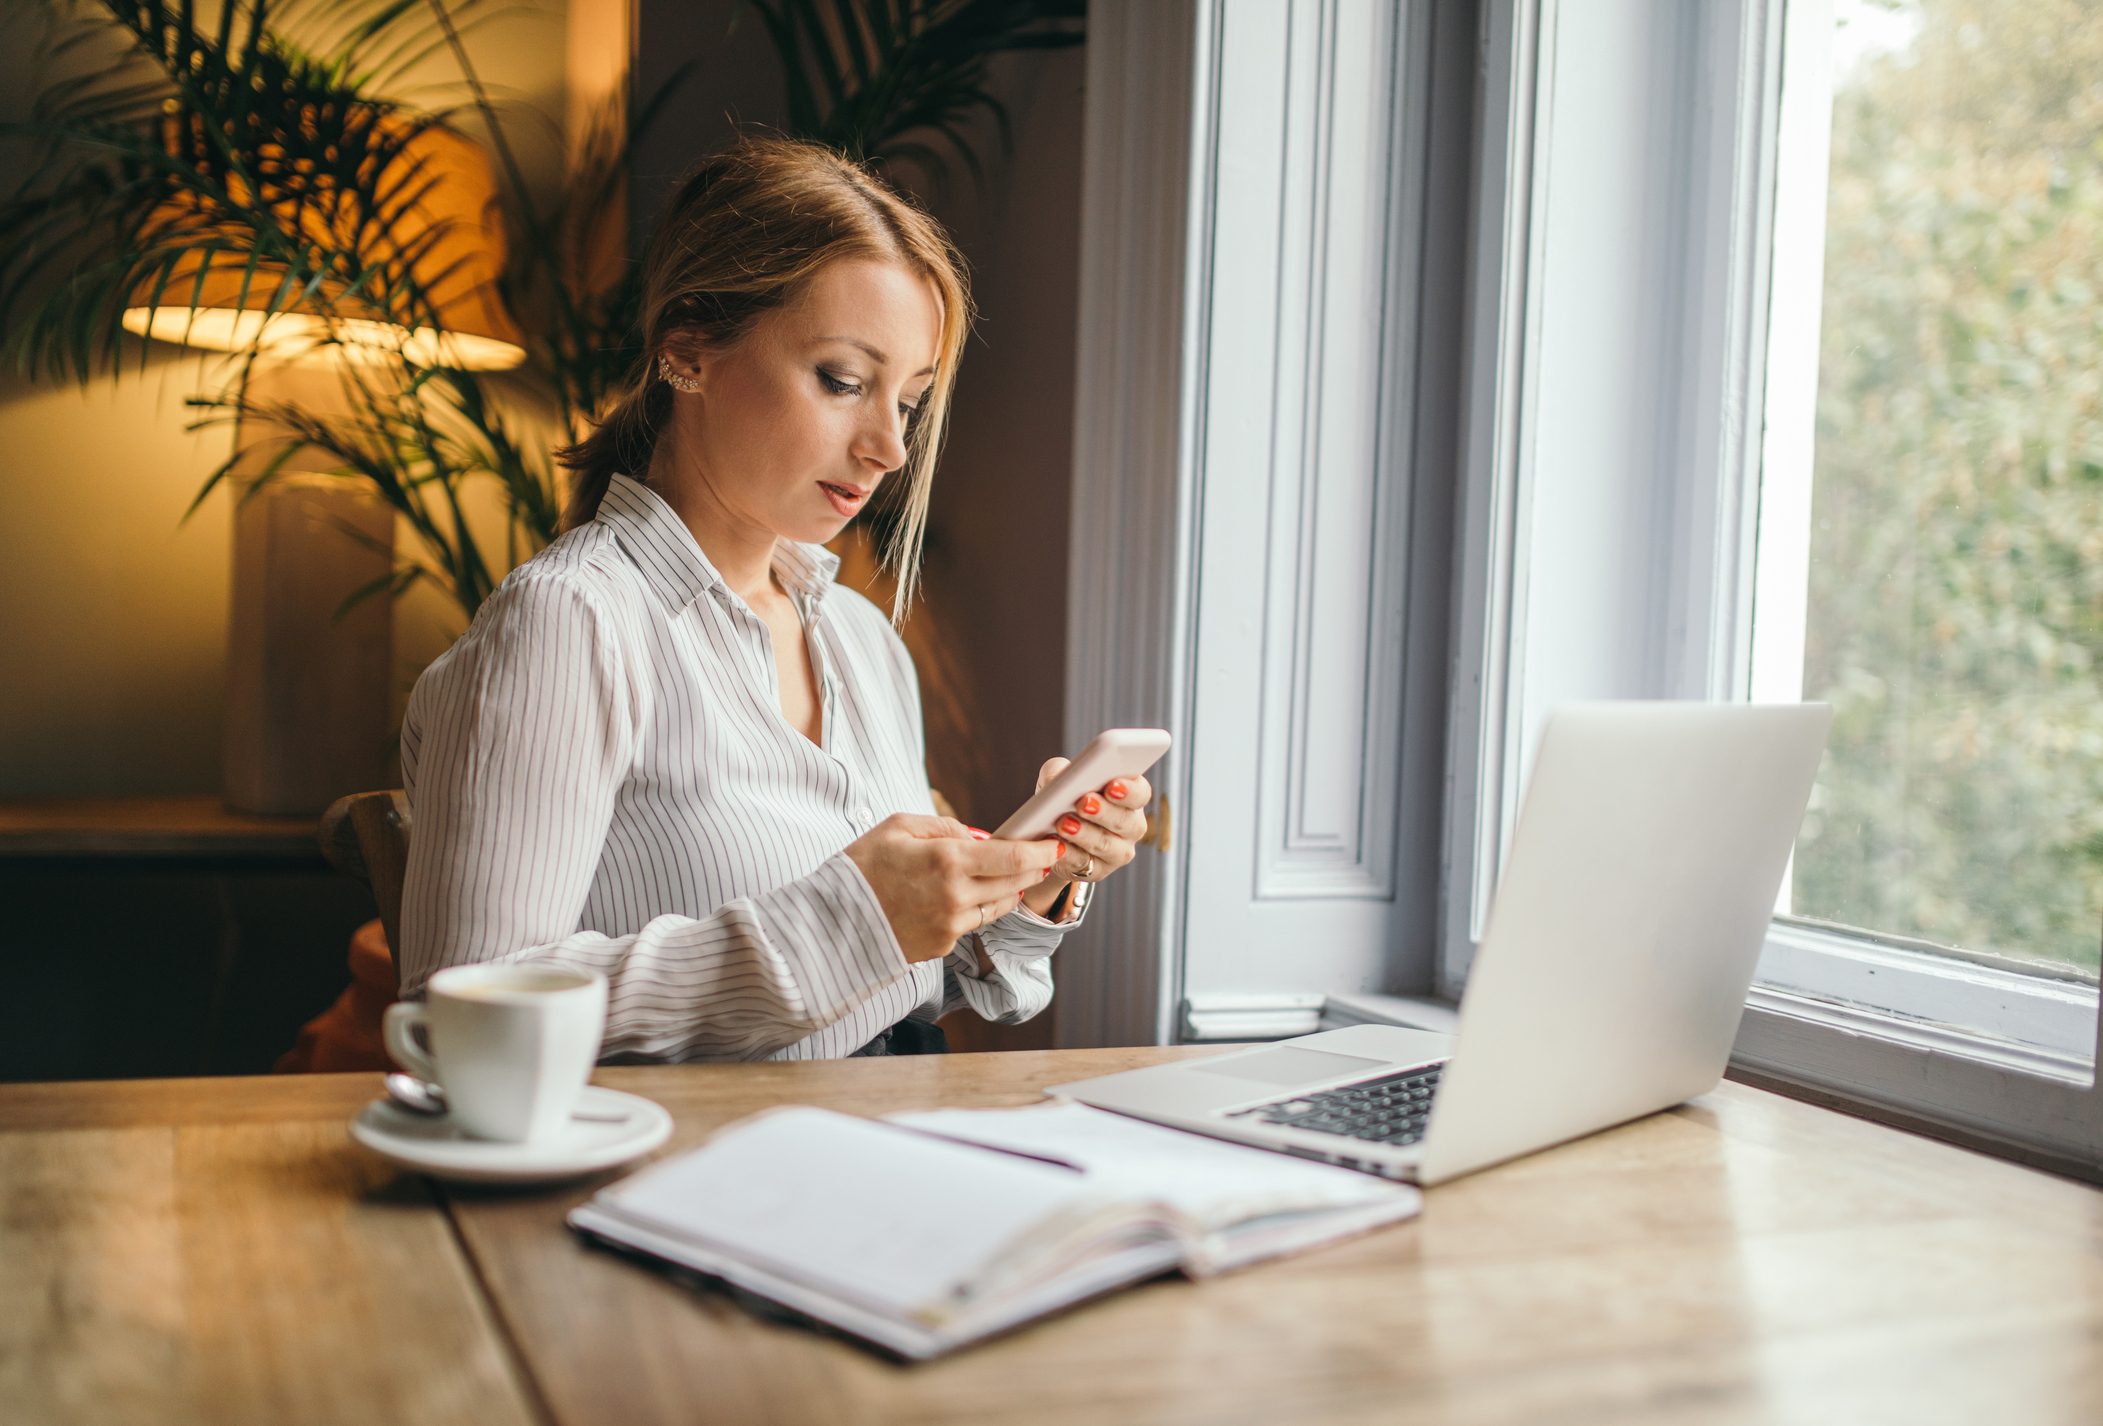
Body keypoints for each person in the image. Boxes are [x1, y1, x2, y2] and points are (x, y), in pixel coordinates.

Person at [395, 137, 1151, 1061]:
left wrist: (1029, 887)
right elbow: (460, 1016)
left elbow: (905, 987)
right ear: (689, 351)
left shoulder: (864, 642)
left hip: (876, 1139)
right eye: (842, 381)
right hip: (683, 1172)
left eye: (906, 402)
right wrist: (848, 919)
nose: (889, 448)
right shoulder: (572, 622)